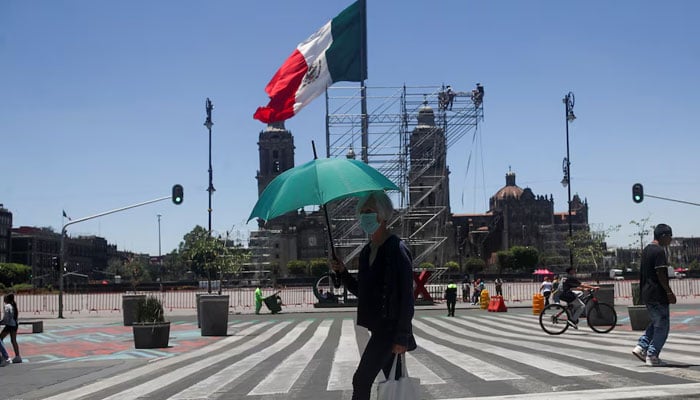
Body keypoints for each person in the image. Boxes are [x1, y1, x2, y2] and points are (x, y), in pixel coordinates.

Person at [331, 191, 416, 400]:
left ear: (382, 214)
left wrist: (402, 336)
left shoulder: (397, 249)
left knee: (361, 380)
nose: (365, 216)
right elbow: (363, 292)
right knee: (395, 384)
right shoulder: (367, 252)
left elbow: (407, 296)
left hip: (390, 329)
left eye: (370, 211)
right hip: (378, 326)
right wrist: (342, 272)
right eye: (362, 212)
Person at [632, 224, 676, 366]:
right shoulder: (659, 252)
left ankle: (641, 346)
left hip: (647, 292)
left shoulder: (646, 250)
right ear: (663, 236)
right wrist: (669, 292)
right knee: (662, 325)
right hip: (657, 293)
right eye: (670, 236)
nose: (671, 240)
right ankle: (652, 354)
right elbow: (661, 273)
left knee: (656, 323)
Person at [0, 293, 20, 363]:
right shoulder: (13, 305)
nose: (4, 299)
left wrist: (1, 322)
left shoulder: (7, 306)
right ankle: (18, 356)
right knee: (13, 340)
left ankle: (4, 356)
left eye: (5, 298)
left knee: (0, 338)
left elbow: (6, 318)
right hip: (15, 324)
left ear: (7, 299)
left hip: (9, 325)